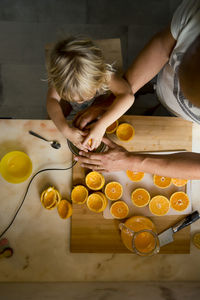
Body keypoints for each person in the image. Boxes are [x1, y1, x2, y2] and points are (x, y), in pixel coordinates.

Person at [75, 0, 200, 179]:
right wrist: (109, 102)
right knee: (154, 97)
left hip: (185, 121)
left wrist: (130, 161)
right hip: (161, 86)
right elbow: (163, 46)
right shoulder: (197, 13)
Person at [46, 36, 134, 151]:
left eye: (84, 97)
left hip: (101, 104)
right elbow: (51, 100)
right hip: (75, 110)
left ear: (98, 79)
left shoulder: (103, 75)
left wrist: (102, 125)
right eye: (72, 98)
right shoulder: (62, 80)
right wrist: (65, 130)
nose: (79, 101)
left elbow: (128, 96)